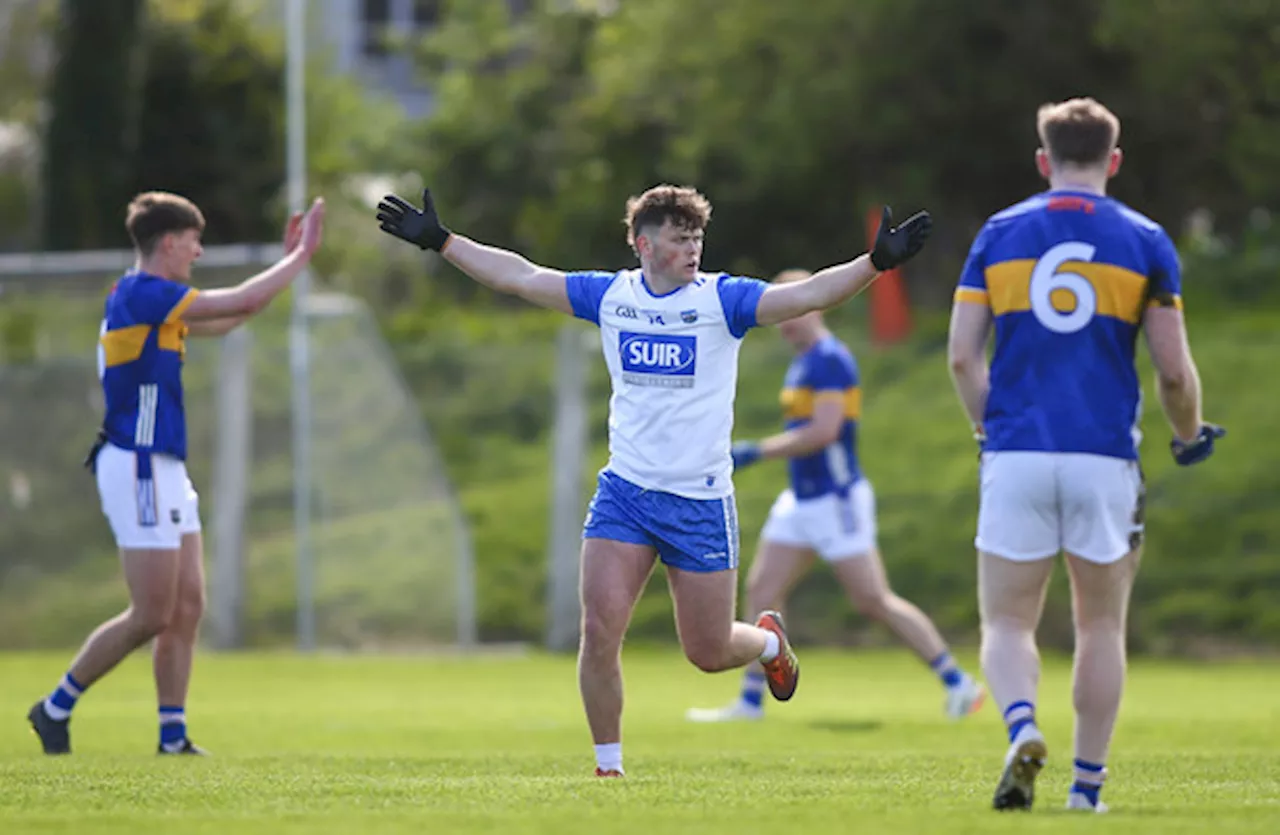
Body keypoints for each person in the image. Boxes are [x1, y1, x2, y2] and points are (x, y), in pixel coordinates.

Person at [376, 183, 931, 776]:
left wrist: (875, 264)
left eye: (698, 238)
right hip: (626, 494)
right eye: (680, 238)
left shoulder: (724, 301)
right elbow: (520, 276)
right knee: (599, 628)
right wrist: (442, 241)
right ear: (643, 243)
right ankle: (609, 769)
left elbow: (807, 295)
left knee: (709, 652)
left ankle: (768, 643)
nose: (693, 249)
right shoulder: (611, 296)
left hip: (699, 502)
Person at [947, 97, 1224, 812]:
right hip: (1104, 457)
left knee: (1007, 620)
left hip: (1017, 454)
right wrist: (1189, 434)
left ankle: (1021, 726)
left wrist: (990, 431)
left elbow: (960, 359)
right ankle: (1086, 790)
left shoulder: (1000, 232)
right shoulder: (1148, 240)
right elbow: (1172, 371)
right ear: (1115, 160)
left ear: (1043, 161)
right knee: (1100, 624)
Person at [28, 191, 326, 755]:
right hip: (137, 464)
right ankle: (54, 706)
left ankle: (172, 735)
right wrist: (302, 256)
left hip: (163, 466)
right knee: (150, 614)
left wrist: (283, 267)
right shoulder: (142, 293)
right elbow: (239, 297)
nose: (199, 251)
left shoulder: (157, 304)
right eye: (193, 242)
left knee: (187, 606)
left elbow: (238, 313)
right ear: (168, 243)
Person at [686, 268, 985, 724]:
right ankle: (751, 700)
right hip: (801, 500)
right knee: (763, 589)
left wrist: (755, 451)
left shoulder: (829, 359)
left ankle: (957, 682)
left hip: (835, 499)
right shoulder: (803, 360)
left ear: (814, 308)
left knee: (873, 600)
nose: (785, 323)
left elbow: (824, 432)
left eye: (792, 312)